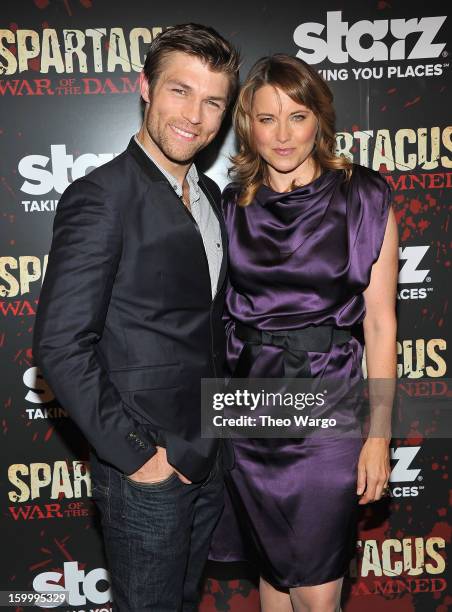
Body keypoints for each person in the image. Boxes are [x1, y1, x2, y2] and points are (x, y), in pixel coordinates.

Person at [33, 23, 240, 612]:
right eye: (180, 91)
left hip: (207, 455)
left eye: (213, 101)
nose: (195, 116)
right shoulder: (102, 196)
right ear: (145, 86)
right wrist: (138, 457)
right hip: (145, 468)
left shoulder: (211, 200)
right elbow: (61, 346)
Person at [209, 54, 398, 612]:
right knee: (273, 581)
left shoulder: (364, 197)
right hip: (247, 409)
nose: (283, 134)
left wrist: (380, 436)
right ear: (248, 126)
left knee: (317, 593)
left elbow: (382, 323)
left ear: (319, 117)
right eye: (267, 119)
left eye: (297, 115)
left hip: (328, 403)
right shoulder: (231, 204)